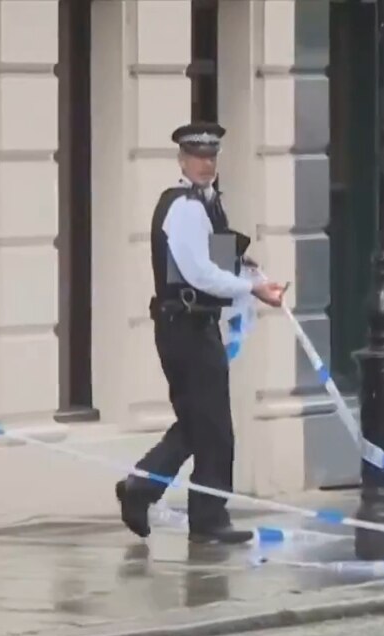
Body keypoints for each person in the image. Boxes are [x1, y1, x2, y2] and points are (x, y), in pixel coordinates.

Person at [114, 121, 287, 545]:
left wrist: (253, 274)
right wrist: (252, 288)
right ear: (182, 160)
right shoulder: (184, 208)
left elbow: (224, 260)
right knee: (213, 426)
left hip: (193, 326)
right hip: (184, 327)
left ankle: (141, 488)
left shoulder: (209, 204)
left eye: (211, 157)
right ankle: (207, 515)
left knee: (198, 422)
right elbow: (200, 273)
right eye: (198, 156)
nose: (206, 164)